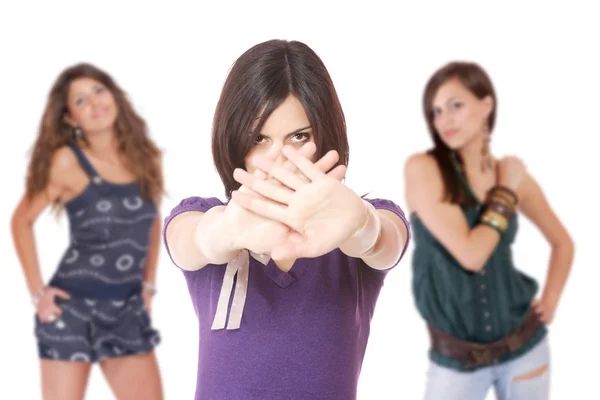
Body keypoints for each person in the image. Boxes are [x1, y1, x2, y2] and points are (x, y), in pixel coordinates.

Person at [162, 39, 411, 400]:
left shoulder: (354, 221)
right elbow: (189, 243)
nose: (278, 159)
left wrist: (363, 225)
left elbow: (387, 242)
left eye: (299, 136)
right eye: (259, 138)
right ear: (233, 142)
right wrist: (227, 230)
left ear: (325, 134)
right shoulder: (204, 216)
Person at [404, 61, 575, 400]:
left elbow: (562, 243)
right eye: (436, 111)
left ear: (486, 105)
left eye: (456, 105)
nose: (444, 120)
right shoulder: (424, 169)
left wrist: (551, 301)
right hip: (455, 363)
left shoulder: (509, 175)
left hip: (525, 348)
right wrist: (505, 193)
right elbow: (471, 254)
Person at [11, 63, 164, 400]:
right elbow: (20, 220)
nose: (95, 103)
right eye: (80, 101)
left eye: (98, 91)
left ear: (113, 94)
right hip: (72, 308)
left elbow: (153, 221)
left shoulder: (144, 157)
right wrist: (38, 294)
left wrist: (148, 284)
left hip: (126, 309)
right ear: (70, 118)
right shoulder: (66, 161)